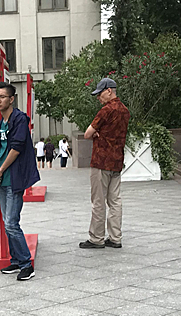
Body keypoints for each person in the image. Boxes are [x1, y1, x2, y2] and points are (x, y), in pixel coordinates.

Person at [0, 82, 40, 281]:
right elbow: (2, 150)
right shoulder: (2, 122)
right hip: (2, 178)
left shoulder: (19, 119)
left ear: (11, 99)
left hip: (14, 178)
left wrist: (1, 170)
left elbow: (16, 148)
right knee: (6, 222)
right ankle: (17, 261)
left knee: (11, 222)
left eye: (2, 97)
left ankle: (27, 264)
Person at [80, 77, 130, 249]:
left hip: (101, 161)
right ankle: (115, 237)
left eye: (99, 94)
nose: (98, 98)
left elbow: (87, 133)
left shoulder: (106, 110)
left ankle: (96, 238)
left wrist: (95, 133)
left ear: (109, 90)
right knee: (115, 201)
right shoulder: (125, 111)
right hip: (117, 161)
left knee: (98, 201)